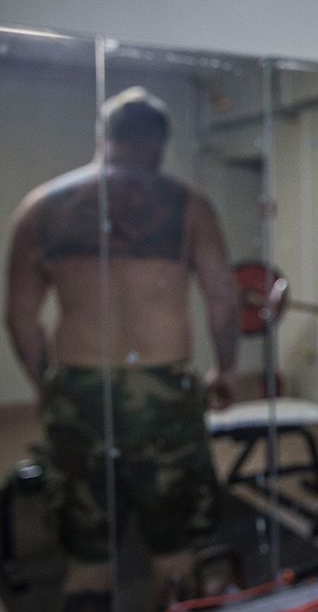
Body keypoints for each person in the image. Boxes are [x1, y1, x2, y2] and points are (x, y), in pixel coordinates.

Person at [5, 87, 239, 610]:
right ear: (159, 145)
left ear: (101, 138)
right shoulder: (189, 206)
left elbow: (20, 317)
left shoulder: (40, 208)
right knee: (174, 553)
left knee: (87, 558)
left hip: (78, 387)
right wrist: (225, 370)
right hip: (164, 392)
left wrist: (46, 386)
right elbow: (223, 297)